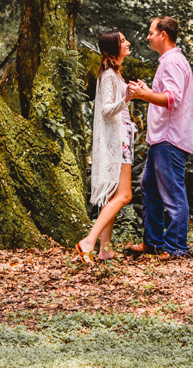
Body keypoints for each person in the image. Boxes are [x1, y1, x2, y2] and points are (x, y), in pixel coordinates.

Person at [124, 17, 193, 259]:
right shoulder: (170, 61)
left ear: (163, 34)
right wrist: (148, 91)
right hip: (161, 138)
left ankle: (176, 247)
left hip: (170, 138)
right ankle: (153, 243)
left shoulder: (173, 62)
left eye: (151, 32)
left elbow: (172, 98)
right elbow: (165, 95)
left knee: (173, 193)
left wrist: (143, 95)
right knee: (150, 187)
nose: (148, 36)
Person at [76, 31, 135, 263]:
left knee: (113, 194)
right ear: (113, 47)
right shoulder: (109, 74)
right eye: (122, 41)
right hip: (119, 139)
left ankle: (105, 250)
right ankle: (88, 241)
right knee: (125, 194)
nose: (127, 43)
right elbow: (107, 110)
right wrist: (128, 98)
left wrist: (132, 94)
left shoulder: (115, 73)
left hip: (123, 136)